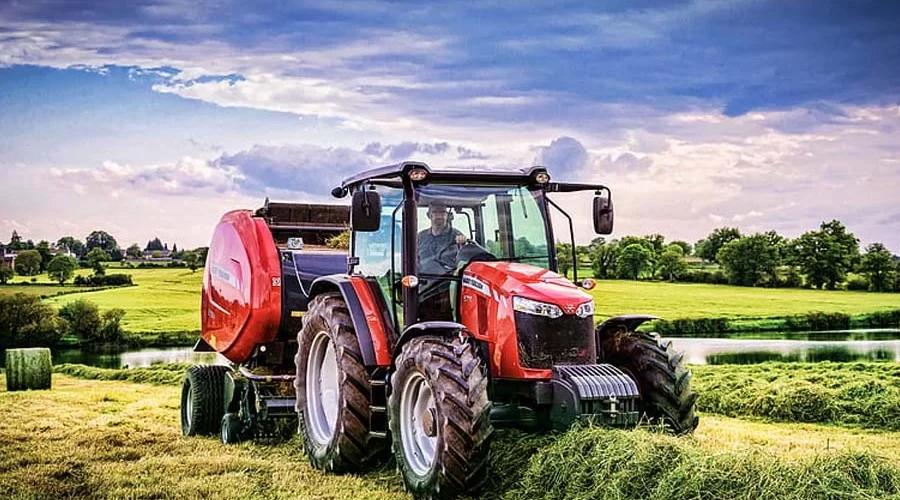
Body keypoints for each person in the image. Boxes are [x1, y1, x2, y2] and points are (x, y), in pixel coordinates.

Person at [417, 200, 466, 321]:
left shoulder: (457, 236)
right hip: (425, 288)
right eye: (435, 212)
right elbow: (414, 260)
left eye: (442, 212)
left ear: (447, 215)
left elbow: (464, 258)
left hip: (447, 286)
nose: (439, 216)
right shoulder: (420, 237)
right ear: (429, 215)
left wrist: (463, 243)